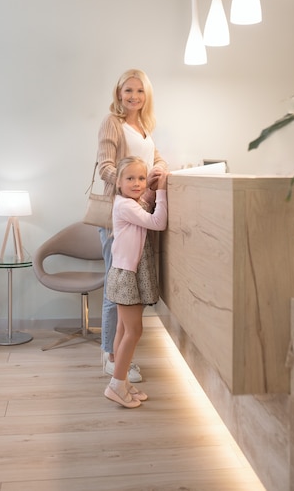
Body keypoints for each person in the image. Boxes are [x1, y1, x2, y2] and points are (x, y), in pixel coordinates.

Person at [97, 68, 167, 383]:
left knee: (128, 292)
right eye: (128, 91)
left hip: (139, 214)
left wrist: (158, 170)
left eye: (139, 91)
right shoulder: (113, 123)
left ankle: (120, 360)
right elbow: (106, 166)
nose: (134, 96)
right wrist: (130, 187)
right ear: (119, 93)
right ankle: (112, 359)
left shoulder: (144, 127)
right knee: (117, 290)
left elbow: (158, 160)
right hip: (120, 217)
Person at [104, 156, 168, 408]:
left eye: (141, 178)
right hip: (126, 276)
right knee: (134, 330)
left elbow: (145, 205)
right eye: (130, 178)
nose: (137, 183)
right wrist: (161, 191)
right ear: (118, 182)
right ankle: (116, 385)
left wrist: (152, 188)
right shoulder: (125, 206)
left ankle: (122, 381)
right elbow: (157, 222)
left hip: (123, 272)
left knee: (123, 329)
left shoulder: (129, 202)